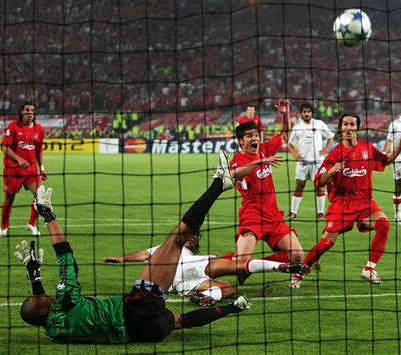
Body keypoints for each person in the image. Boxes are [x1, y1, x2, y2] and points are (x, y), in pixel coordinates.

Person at [16, 153, 254, 344]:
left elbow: (48, 307)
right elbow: (67, 260)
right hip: (137, 308)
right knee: (176, 239)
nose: (44, 295)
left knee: (181, 321)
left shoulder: (52, 331)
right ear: (41, 313)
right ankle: (219, 184)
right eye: (40, 299)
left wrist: (35, 276)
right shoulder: (64, 302)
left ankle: (233, 307)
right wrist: (48, 217)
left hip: (144, 333)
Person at [289, 113, 401, 288]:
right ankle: (298, 274)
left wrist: (399, 146)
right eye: (345, 124)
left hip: (365, 203)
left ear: (357, 128)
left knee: (383, 223)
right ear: (341, 128)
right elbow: (319, 182)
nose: (349, 127)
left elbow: (387, 160)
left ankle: (369, 268)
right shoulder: (335, 153)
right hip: (342, 205)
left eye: (352, 124)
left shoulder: (367, 148)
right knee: (326, 243)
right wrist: (331, 172)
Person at [104, 234, 305, 306]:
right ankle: (281, 266)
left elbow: (145, 255)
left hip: (180, 284)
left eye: (196, 236)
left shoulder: (180, 251)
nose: (193, 237)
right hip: (186, 269)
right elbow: (144, 254)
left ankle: (207, 297)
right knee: (236, 263)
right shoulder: (170, 247)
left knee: (229, 289)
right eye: (191, 235)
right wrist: (123, 258)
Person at [230, 99, 304, 284]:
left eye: (256, 135)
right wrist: (258, 162)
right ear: (240, 141)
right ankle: (220, 264)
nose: (255, 138)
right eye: (249, 136)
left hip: (273, 217)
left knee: (297, 256)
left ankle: (251, 267)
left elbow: (284, 134)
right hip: (252, 216)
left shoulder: (264, 149)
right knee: (240, 262)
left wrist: (285, 114)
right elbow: (234, 174)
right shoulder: (238, 159)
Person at [0, 101, 47, 237]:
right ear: (22, 111)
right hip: (12, 170)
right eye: (27, 111)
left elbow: (38, 151)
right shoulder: (13, 127)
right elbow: (5, 147)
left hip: (31, 170)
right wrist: (19, 160)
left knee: (41, 196)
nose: (30, 113)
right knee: (9, 199)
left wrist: (42, 168)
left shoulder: (39, 129)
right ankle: (4, 227)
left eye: (32, 111)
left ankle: (32, 223)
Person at [287, 103, 334, 219]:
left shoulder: (319, 124)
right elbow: (290, 144)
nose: (306, 114)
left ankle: (320, 212)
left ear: (312, 113)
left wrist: (325, 149)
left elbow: (330, 137)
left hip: (317, 162)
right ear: (301, 114)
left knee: (319, 186)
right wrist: (295, 155)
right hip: (303, 162)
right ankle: (293, 212)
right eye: (304, 112)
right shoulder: (297, 127)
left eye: (308, 112)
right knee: (299, 185)